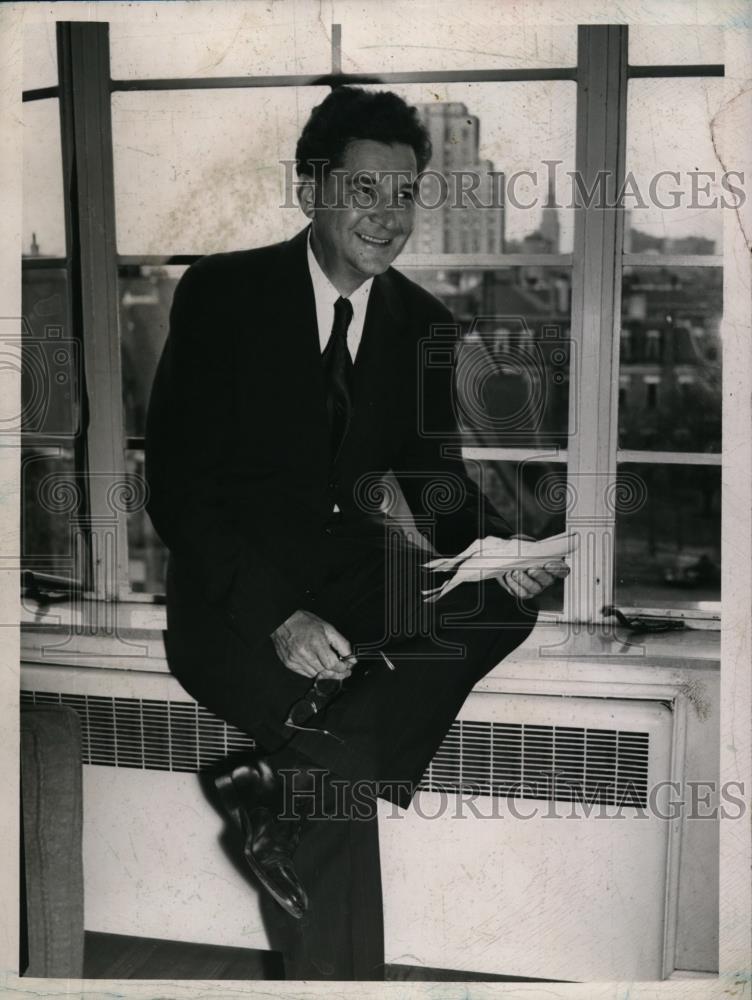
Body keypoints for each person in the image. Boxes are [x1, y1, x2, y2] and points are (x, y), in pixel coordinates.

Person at [144, 85, 568, 981]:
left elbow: (435, 482)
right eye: (365, 192)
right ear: (312, 191)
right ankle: (295, 794)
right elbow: (179, 490)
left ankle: (282, 784)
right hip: (233, 606)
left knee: (496, 605)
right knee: (339, 800)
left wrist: (496, 550)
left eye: (405, 194)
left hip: (349, 575)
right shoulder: (221, 296)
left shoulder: (424, 324)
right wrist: (279, 619)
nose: (388, 217)